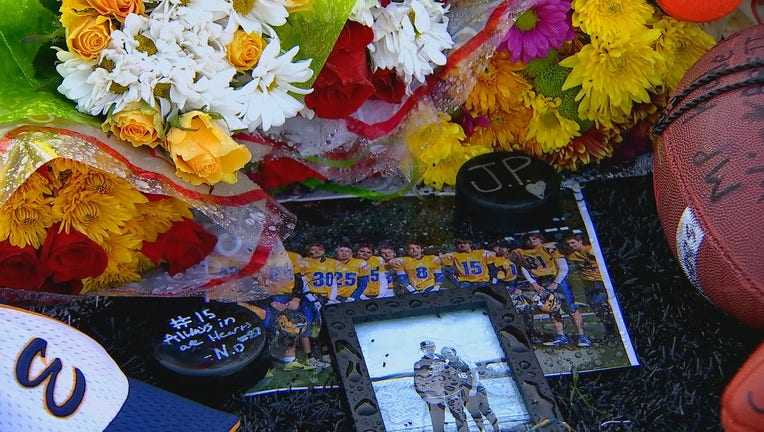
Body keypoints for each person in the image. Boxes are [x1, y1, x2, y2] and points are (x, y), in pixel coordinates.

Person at [512, 232, 591, 347]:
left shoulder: (549, 248)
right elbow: (524, 268)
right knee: (551, 307)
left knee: (570, 307)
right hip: (541, 282)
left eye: (534, 238)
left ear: (540, 238)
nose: (531, 240)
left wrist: (556, 282)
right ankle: (561, 336)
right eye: (528, 239)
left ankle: (582, 336)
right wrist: (533, 283)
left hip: (557, 279)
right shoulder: (523, 252)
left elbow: (564, 268)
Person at [563, 232, 617, 337]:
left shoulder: (590, 249)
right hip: (588, 282)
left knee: (609, 305)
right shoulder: (572, 255)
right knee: (596, 307)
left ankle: (616, 328)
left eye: (573, 242)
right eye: (569, 244)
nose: (571, 246)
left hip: (600, 280)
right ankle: (610, 330)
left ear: (580, 241)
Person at [413, 340, 468, 432]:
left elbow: (454, 373)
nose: (430, 350)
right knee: (437, 420)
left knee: (460, 416)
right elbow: (418, 383)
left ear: (434, 348)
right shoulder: (419, 364)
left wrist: (459, 390)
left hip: (451, 393)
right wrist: (425, 397)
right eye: (426, 348)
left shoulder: (443, 359)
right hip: (434, 395)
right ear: (422, 350)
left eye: (431, 347)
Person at [441, 346, 499, 432]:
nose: (448, 355)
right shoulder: (448, 367)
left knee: (485, 410)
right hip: (464, 392)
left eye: (449, 352)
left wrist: (474, 388)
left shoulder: (465, 361)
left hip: (477, 388)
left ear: (454, 352)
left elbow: (475, 375)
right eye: (445, 354)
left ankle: (497, 429)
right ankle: (482, 430)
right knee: (474, 412)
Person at [492, 239, 539, 344]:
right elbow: (493, 278)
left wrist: (531, 283)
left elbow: (523, 271)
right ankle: (511, 337)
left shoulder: (514, 258)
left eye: (502, 246)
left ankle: (530, 333)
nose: (499, 249)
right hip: (502, 288)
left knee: (526, 310)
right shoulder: (493, 259)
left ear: (508, 248)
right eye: (497, 246)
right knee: (506, 313)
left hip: (516, 286)